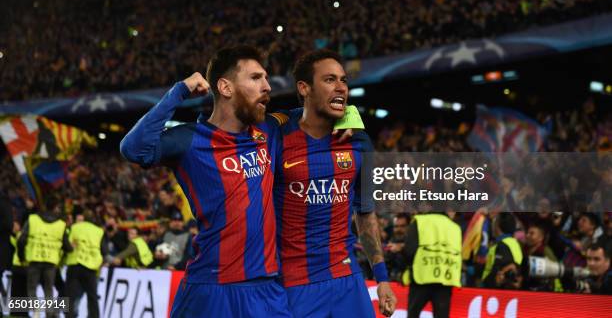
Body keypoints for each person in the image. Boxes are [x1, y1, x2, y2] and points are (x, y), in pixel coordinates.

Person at [120, 46, 292, 317]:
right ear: (225, 87)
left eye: (266, 78)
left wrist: (349, 119)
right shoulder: (190, 140)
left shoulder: (268, 130)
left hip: (267, 290)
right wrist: (180, 91)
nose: (267, 86)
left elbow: (316, 114)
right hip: (211, 290)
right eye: (256, 78)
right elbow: (133, 148)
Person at [274, 50, 397, 317]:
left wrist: (382, 278)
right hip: (294, 285)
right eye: (329, 80)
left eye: (343, 80)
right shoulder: (277, 135)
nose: (341, 86)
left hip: (347, 279)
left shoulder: (359, 142)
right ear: (304, 88)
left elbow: (365, 213)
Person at [17, 197, 72, 318]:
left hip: (34, 259)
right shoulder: (60, 224)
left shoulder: (33, 219)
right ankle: (50, 314)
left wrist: (22, 257)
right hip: (51, 262)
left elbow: (21, 241)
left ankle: (36, 310)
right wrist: (70, 249)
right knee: (49, 290)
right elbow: (67, 247)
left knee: (31, 288)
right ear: (55, 208)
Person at [401, 212, 462, 318]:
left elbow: (409, 251)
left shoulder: (419, 221)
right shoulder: (455, 227)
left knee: (413, 314)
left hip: (421, 278)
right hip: (445, 279)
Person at [65, 209, 107, 318]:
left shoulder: (74, 227)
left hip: (75, 264)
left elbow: (68, 245)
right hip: (90, 267)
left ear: (83, 218)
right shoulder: (99, 231)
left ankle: (69, 316)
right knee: (92, 296)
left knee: (70, 294)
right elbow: (104, 251)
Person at [481, 213, 523, 289]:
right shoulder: (514, 243)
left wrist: (486, 283)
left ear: (497, 226)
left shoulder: (503, 245)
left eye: (494, 221)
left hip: (495, 293)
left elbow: (499, 273)